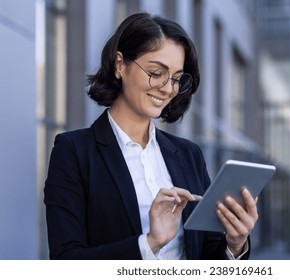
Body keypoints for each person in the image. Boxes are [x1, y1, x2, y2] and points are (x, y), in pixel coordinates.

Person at [44, 12, 259, 260]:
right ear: (119, 65)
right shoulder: (73, 151)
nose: (168, 88)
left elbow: (207, 254)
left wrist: (234, 243)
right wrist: (149, 243)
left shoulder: (189, 155)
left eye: (177, 78)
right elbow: (66, 260)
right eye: (157, 72)